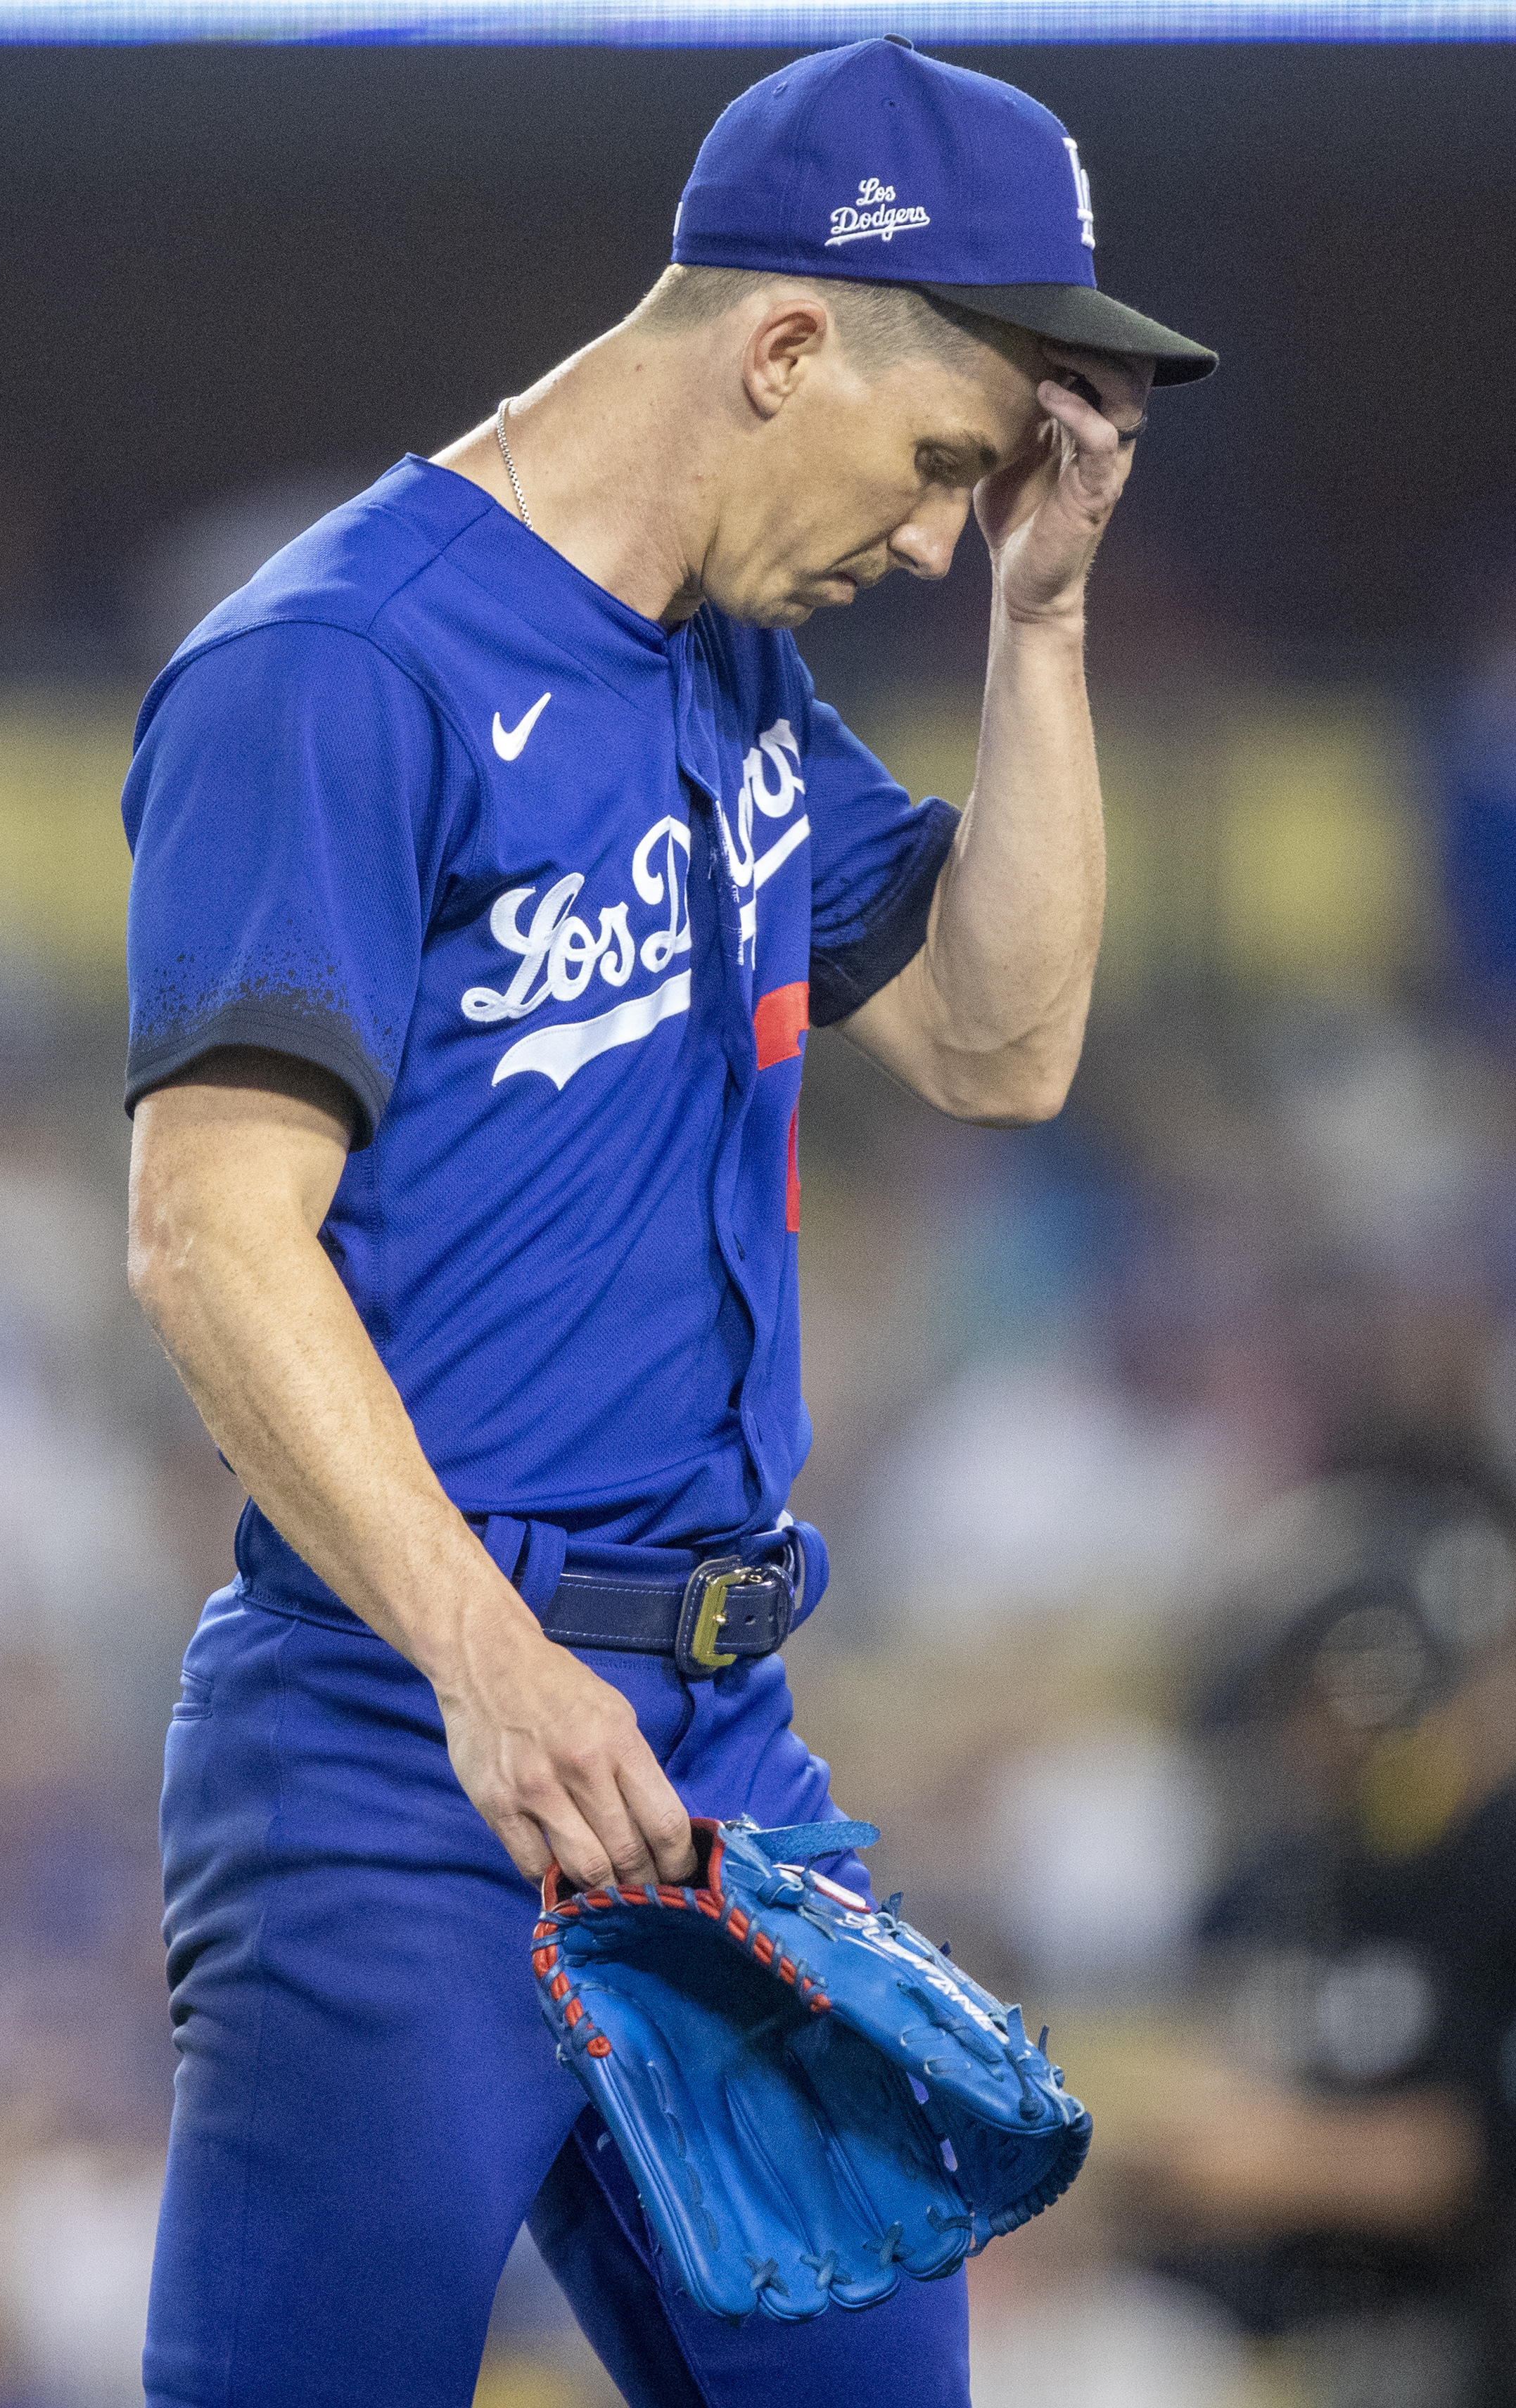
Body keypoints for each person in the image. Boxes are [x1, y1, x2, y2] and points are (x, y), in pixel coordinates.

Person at [122, 38, 1214, 2408]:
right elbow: (211, 1233)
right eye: (944, 462)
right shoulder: (339, 663)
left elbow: (1000, 1045)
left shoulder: (733, 676)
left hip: (717, 1750)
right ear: (784, 342)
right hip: (400, 1753)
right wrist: (486, 1666)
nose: (937, 531)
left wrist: (1038, 631)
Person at [1105, 1454, 1516, 2408]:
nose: (1302, 1746)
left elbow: (1473, 2159)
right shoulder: (1324, 1872)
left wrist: (1281, 2156)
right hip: (1321, 2322)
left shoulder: (1492, 1858)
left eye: (1313, 1709)